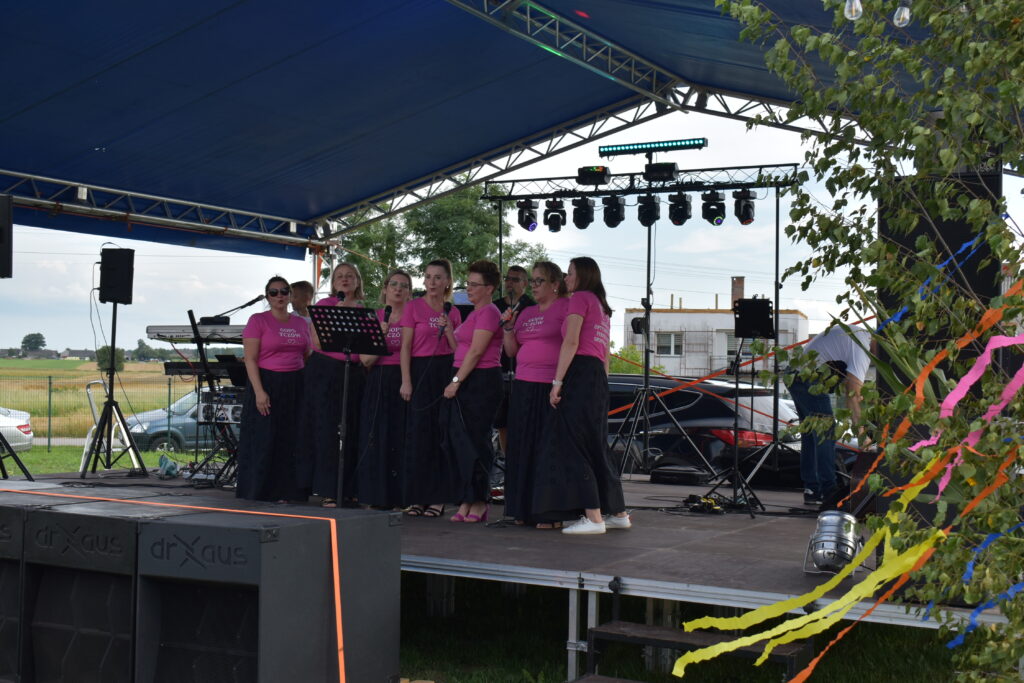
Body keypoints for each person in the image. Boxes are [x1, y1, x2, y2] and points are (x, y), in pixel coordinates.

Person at [534, 257, 631, 535]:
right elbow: (605, 355)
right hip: (597, 376)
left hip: (580, 371)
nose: (566, 278)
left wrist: (557, 382)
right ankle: (618, 513)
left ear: (583, 276)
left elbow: (572, 341)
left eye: (570, 273)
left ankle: (593, 516)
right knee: (597, 443)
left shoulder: (580, 299)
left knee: (575, 442)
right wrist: (601, 384)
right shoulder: (601, 306)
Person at [502, 261, 569, 528]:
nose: (534, 285)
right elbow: (511, 351)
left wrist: (560, 382)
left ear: (555, 284)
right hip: (523, 385)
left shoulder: (565, 308)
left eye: (540, 280)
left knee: (547, 449)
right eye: (532, 281)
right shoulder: (526, 312)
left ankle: (549, 512)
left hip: (550, 386)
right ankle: (523, 509)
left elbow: (573, 343)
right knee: (521, 446)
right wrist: (508, 328)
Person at [237, 276, 311, 502]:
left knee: (292, 438)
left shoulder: (301, 323)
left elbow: (306, 354)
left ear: (290, 295)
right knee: (265, 437)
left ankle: (290, 491)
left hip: (296, 383)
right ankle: (261, 491)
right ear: (267, 296)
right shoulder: (258, 320)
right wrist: (259, 391)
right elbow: (250, 359)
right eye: (274, 292)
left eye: (284, 291)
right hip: (267, 382)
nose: (280, 296)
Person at [442, 260, 505, 524]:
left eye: (474, 284)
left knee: (477, 441)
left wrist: (456, 381)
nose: (468, 288)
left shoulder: (489, 312)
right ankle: (466, 498)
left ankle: (480, 500)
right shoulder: (474, 313)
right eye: (468, 283)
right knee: (461, 441)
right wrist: (449, 331)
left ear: (489, 288)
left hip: (480, 380)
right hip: (464, 375)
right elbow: (460, 348)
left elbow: (477, 351)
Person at [399, 259, 463, 517]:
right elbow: (405, 347)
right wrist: (406, 380)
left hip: (444, 371)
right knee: (418, 435)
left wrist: (449, 330)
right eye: (428, 276)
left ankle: (438, 498)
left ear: (447, 281)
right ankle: (417, 497)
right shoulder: (413, 307)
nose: (432, 282)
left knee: (441, 435)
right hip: (419, 371)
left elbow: (459, 350)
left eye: (438, 277)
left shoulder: (453, 312)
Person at [301, 262, 367, 507]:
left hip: (354, 372)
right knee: (328, 430)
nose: (345, 279)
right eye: (340, 276)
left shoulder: (362, 309)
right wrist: (335, 317)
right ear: (334, 282)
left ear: (357, 281)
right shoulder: (324, 305)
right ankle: (328, 489)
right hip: (326, 371)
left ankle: (349, 488)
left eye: (350, 276)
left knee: (352, 429)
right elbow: (316, 342)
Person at [785, 323, 872, 507]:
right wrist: (862, 436)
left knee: (811, 432)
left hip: (795, 374)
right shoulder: (862, 348)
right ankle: (829, 491)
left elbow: (851, 388)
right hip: (807, 378)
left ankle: (812, 489)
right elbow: (852, 396)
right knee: (826, 430)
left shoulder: (858, 335)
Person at [356, 269, 413, 509]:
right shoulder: (374, 317)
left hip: (406, 378)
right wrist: (379, 336)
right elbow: (365, 360)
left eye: (404, 285)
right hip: (379, 379)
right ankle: (376, 495)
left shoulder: (413, 317)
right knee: (377, 436)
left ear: (409, 292)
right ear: (385, 289)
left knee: (403, 436)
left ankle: (403, 496)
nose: (398, 289)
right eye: (394, 284)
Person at [493, 266, 535, 457]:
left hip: (524, 371)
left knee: (524, 420)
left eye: (515, 279)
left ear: (525, 283)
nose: (509, 283)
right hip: (499, 367)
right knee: (502, 421)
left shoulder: (531, 307)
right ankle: (507, 460)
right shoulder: (495, 306)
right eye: (507, 278)